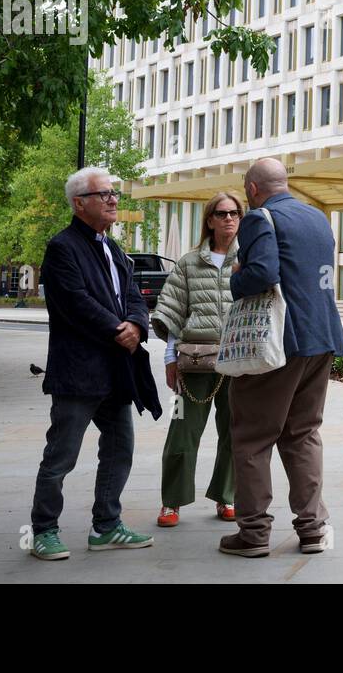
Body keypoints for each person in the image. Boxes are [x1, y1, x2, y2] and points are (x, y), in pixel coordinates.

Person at [29, 166, 160, 561]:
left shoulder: (114, 248)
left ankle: (106, 526)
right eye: (104, 194)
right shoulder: (62, 247)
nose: (113, 199)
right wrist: (117, 329)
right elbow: (75, 301)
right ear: (79, 203)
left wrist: (137, 323)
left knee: (120, 449)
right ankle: (44, 530)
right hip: (78, 372)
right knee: (61, 455)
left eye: (113, 193)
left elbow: (134, 294)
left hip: (116, 369)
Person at [222, 158, 343, 557]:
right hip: (322, 339)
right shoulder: (317, 219)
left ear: (253, 189)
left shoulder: (259, 218)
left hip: (279, 344)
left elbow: (260, 273)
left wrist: (235, 276)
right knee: (303, 433)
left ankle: (254, 533)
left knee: (252, 438)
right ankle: (312, 528)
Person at [150, 191, 241, 529]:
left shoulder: (249, 260)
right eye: (222, 213)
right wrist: (170, 360)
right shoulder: (188, 263)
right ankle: (171, 502)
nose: (228, 219)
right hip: (193, 364)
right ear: (210, 219)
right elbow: (172, 313)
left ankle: (226, 495)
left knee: (236, 432)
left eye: (234, 213)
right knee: (181, 430)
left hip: (238, 362)